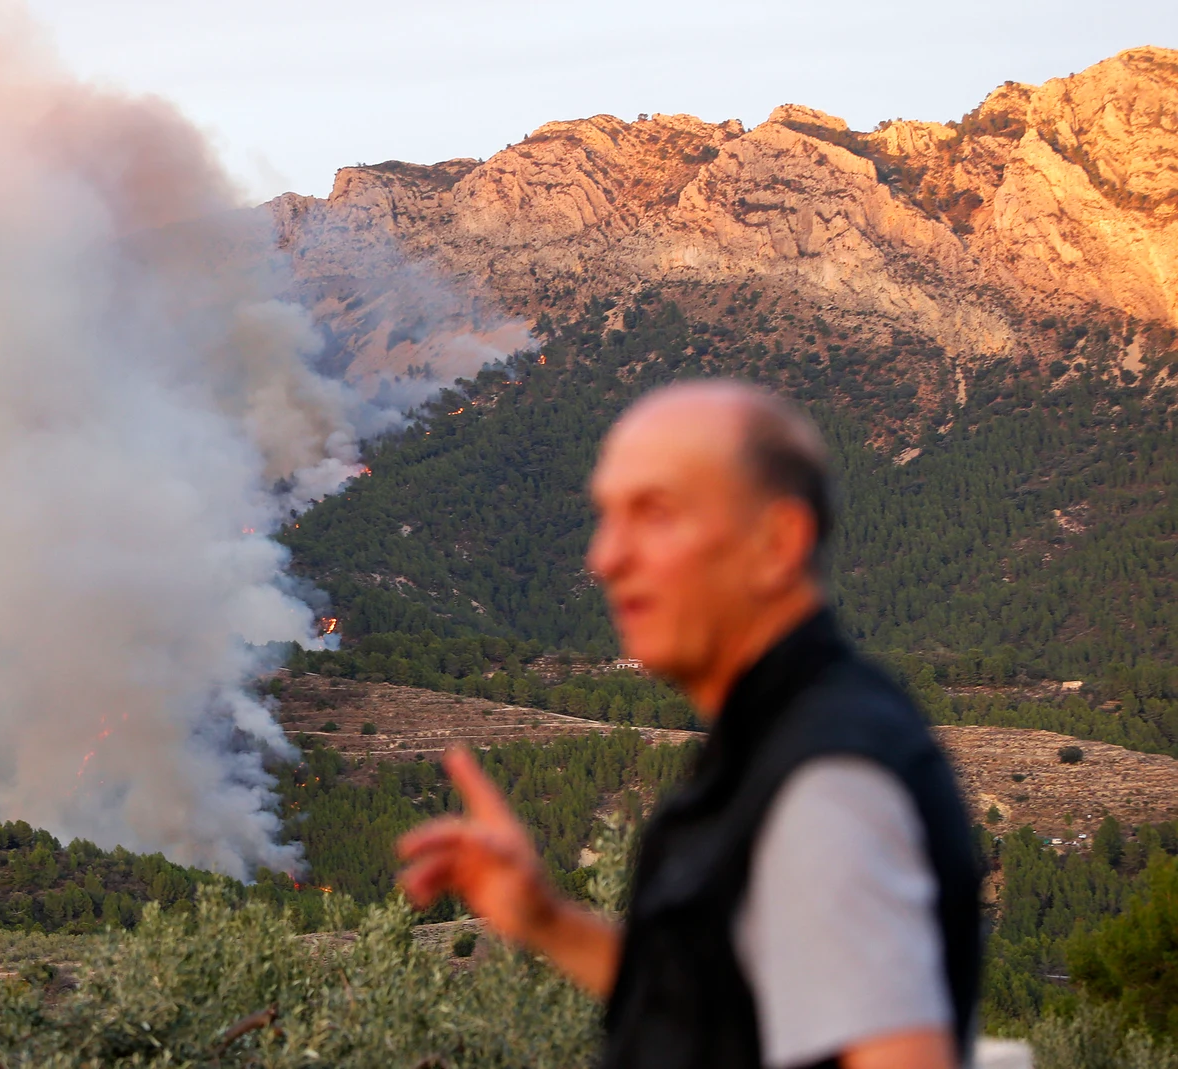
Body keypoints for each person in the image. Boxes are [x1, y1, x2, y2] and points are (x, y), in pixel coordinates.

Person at [396, 381, 982, 1069]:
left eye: (654, 513)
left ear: (777, 542)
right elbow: (719, 1008)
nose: (605, 557)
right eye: (607, 516)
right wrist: (545, 920)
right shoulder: (781, 734)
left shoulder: (828, 781)